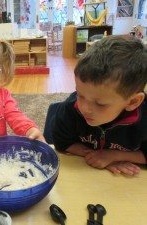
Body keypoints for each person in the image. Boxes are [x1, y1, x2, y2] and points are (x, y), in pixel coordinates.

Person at [51, 35, 147, 176]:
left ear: (133, 102)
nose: (84, 108)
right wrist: (96, 156)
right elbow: (62, 142)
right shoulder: (69, 110)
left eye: (100, 104)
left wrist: (113, 156)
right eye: (80, 94)